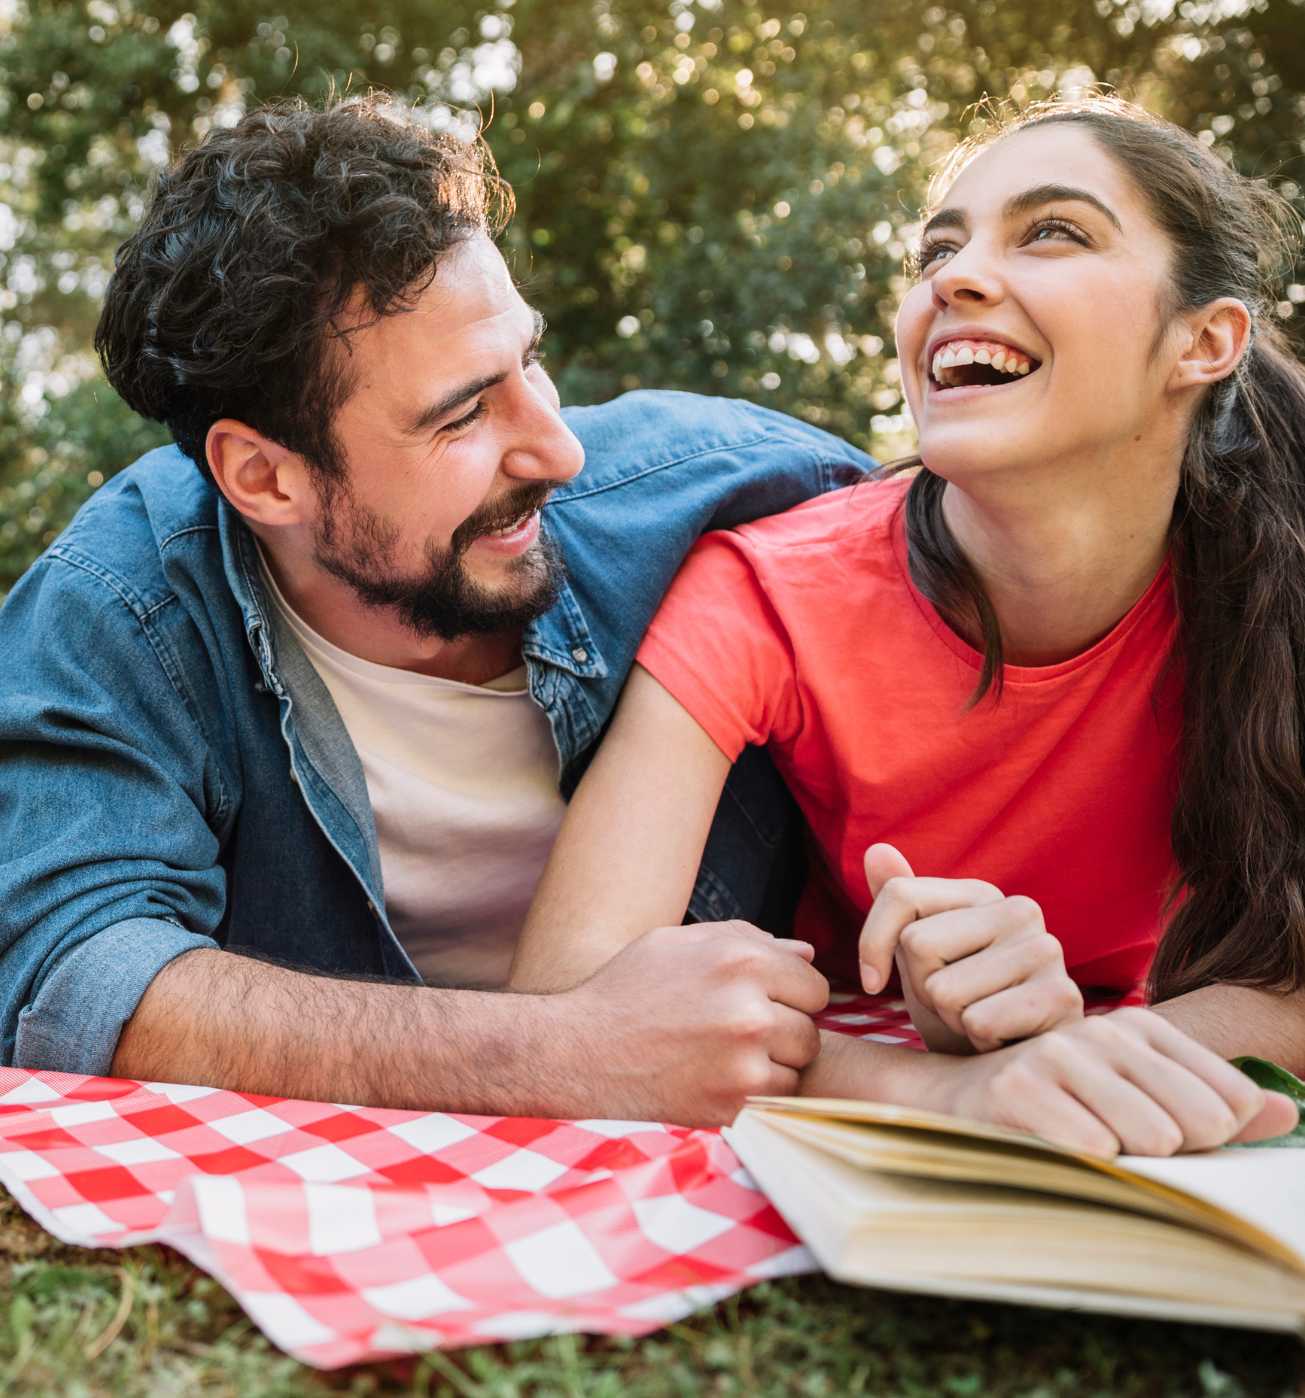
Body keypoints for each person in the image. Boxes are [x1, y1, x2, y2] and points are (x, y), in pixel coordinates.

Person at [0, 94, 870, 1124]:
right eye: (462, 415)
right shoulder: (115, 607)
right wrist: (563, 1053)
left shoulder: (742, 489)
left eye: (529, 359)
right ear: (264, 477)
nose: (556, 451)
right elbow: (67, 974)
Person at [509, 96, 1305, 1156]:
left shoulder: (1272, 582)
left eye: (1052, 231)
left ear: (1203, 341)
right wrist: (956, 1091)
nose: (953, 277)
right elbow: (572, 994)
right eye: (939, 246)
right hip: (859, 1041)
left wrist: (1079, 1053)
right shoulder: (764, 590)